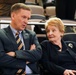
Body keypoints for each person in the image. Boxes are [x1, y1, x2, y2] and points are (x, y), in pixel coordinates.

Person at [0, 3, 42, 75]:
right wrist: (26, 60)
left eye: (28, 18)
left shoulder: (31, 34)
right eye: (23, 17)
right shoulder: (1, 34)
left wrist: (15, 54)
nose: (26, 21)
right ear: (13, 16)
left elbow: (38, 54)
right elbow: (2, 59)